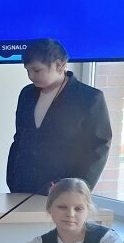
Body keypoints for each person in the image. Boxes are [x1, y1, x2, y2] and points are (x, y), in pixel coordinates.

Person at [6, 39, 112, 193]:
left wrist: (80, 188)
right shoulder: (26, 94)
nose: (31, 76)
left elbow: (99, 146)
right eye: (27, 70)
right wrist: (11, 178)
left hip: (65, 190)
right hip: (22, 187)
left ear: (59, 65)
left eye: (36, 70)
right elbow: (19, 139)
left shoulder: (90, 98)